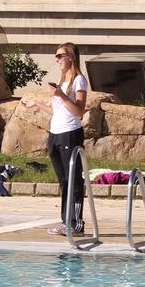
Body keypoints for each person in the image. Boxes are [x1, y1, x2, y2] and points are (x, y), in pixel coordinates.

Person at [43, 41, 89, 236]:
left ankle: (76, 222)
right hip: (56, 133)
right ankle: (65, 221)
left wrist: (61, 95)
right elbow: (58, 112)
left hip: (70, 133)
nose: (57, 59)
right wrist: (37, 105)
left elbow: (79, 111)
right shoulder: (62, 82)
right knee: (64, 180)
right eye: (56, 56)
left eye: (60, 55)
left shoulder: (79, 80)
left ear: (70, 57)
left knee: (73, 179)